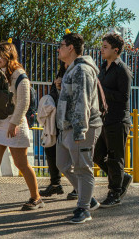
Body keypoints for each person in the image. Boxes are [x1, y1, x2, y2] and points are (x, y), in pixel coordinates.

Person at [0, 41, 44, 211]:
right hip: (0, 123)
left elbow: (24, 102)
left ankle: (36, 198)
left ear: (9, 55)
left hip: (15, 123)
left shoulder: (20, 74)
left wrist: (14, 123)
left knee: (21, 163)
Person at [56, 32, 102, 223]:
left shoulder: (82, 69)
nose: (59, 48)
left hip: (82, 127)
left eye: (61, 45)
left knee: (83, 168)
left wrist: (80, 130)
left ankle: (84, 209)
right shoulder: (72, 69)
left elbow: (82, 101)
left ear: (70, 48)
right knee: (63, 164)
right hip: (66, 127)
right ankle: (87, 197)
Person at [93, 33, 133, 207]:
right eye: (102, 46)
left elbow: (123, 97)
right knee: (97, 154)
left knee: (115, 158)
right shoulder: (103, 68)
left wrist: (101, 91)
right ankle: (122, 177)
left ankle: (115, 193)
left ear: (116, 50)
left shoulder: (122, 69)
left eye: (105, 47)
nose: (101, 49)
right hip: (103, 120)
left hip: (117, 120)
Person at [39, 61, 78, 200]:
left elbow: (75, 98)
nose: (59, 51)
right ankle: (55, 184)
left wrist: (61, 89)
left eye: (61, 47)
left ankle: (78, 188)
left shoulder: (77, 70)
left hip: (70, 121)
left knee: (73, 155)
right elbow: (54, 95)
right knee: (50, 149)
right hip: (56, 119)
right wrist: (57, 87)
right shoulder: (61, 71)